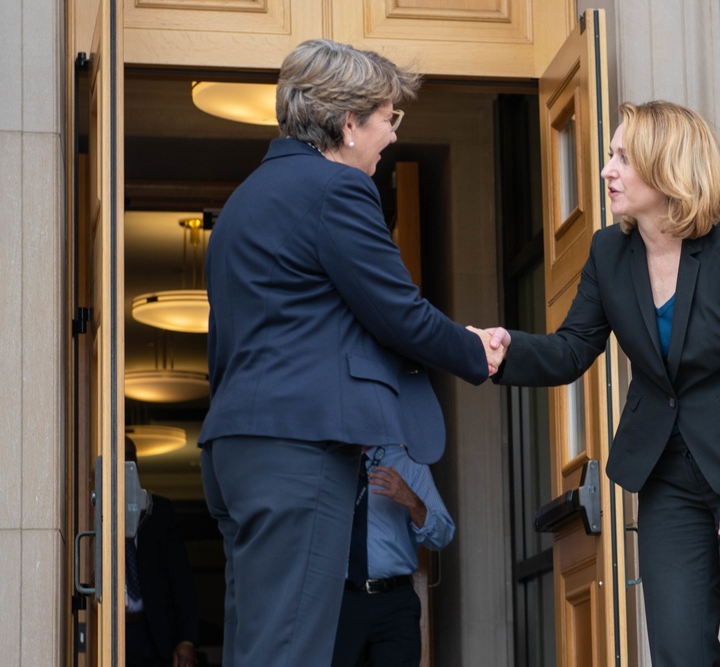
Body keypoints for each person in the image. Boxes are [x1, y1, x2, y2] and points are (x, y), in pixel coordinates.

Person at [198, 39, 502, 667]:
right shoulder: (336, 190)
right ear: (348, 123)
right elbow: (398, 311)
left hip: (236, 452)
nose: (392, 136)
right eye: (389, 118)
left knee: (258, 648)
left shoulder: (244, 203)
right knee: (292, 652)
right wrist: (475, 350)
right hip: (298, 451)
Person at [483, 100, 720, 666]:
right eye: (610, 156)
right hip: (667, 475)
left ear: (668, 168)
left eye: (622, 157)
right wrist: (504, 351)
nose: (607, 170)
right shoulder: (610, 252)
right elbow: (571, 348)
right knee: (678, 650)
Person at [331, 444, 454, 667]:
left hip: (394, 603)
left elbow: (442, 536)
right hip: (340, 601)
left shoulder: (409, 464)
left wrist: (411, 501)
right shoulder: (328, 463)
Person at [124, 438, 200, 667]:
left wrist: (187, 639)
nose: (126, 463)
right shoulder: (92, 509)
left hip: (156, 634)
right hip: (112, 630)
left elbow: (181, 578)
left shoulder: (160, 512)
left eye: (130, 457)